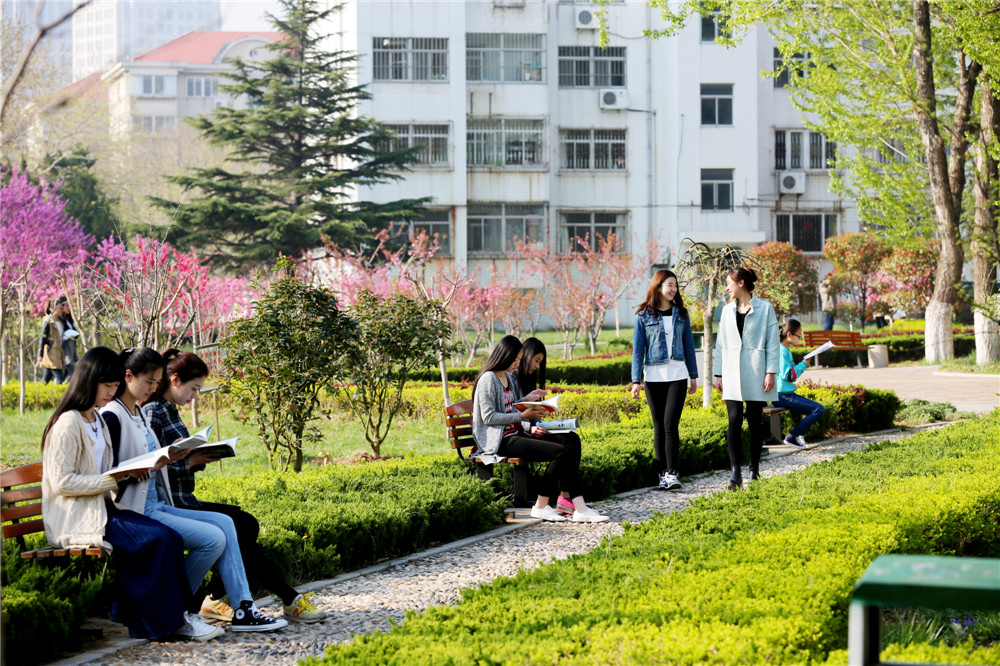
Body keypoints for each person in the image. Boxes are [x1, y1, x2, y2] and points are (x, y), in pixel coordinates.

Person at [40, 346, 219, 642]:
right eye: (107, 385)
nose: (112, 392)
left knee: (170, 538)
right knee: (157, 540)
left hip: (103, 511)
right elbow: (63, 484)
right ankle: (169, 622)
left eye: (114, 385)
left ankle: (166, 619)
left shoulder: (95, 419)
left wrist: (134, 469)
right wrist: (114, 479)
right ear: (88, 380)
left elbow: (105, 468)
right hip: (79, 518)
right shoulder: (68, 423)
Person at [103, 347, 286, 633]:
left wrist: (171, 458)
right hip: (139, 509)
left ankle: (243, 607)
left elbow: (150, 459)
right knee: (214, 538)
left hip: (158, 502)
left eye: (156, 381)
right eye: (150, 382)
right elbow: (109, 472)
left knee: (228, 524)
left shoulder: (137, 411)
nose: (154, 388)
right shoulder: (116, 415)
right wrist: (158, 465)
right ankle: (175, 607)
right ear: (128, 377)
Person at [142, 349, 324, 625]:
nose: (195, 396)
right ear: (175, 379)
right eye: (194, 388)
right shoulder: (154, 412)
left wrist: (199, 457)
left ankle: (219, 599)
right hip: (171, 504)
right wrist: (191, 461)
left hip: (184, 498)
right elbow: (153, 467)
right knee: (239, 525)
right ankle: (281, 599)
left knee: (245, 523)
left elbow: (176, 457)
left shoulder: (169, 410)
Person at [472, 335, 608, 523]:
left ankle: (577, 507)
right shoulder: (489, 379)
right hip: (500, 441)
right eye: (515, 360)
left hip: (515, 433)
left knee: (568, 444)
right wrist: (523, 415)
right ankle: (545, 506)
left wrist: (529, 399)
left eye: (519, 360)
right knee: (561, 452)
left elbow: (510, 406)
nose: (517, 364)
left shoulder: (507, 378)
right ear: (504, 355)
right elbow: (489, 417)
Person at [629, 270, 699, 491]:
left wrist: (693, 375)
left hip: (677, 375)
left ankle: (671, 473)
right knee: (659, 426)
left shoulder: (682, 314)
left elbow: (689, 346)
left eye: (675, 286)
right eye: (669, 285)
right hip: (653, 377)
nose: (673, 289)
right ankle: (661, 474)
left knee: (671, 425)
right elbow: (638, 351)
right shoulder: (643, 316)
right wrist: (636, 380)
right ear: (658, 286)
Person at [712, 267, 780, 491]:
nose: (727, 287)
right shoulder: (726, 310)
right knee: (733, 420)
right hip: (731, 373)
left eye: (729, 282)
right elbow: (720, 344)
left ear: (741, 283)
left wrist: (771, 371)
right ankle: (735, 473)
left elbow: (772, 342)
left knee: (754, 421)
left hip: (757, 372)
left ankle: (754, 470)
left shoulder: (765, 308)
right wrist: (718, 373)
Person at [774, 319, 825, 448]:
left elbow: (789, 375)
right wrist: (804, 364)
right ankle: (793, 436)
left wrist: (803, 364)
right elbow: (788, 376)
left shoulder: (784, 350)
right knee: (818, 409)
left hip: (785, 394)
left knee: (817, 409)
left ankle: (795, 435)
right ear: (789, 335)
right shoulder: (782, 351)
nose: (800, 339)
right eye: (799, 336)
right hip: (782, 396)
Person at [38, 296, 68, 384]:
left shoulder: (60, 321)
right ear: (53, 308)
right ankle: (60, 396)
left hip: (58, 352)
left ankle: (40, 392)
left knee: (47, 377)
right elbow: (42, 337)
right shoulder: (47, 321)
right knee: (60, 377)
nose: (62, 310)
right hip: (51, 352)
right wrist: (40, 354)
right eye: (60, 308)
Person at [62, 307, 80, 381]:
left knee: (64, 374)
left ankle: (60, 387)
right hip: (65, 349)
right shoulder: (61, 320)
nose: (68, 308)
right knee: (74, 372)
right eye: (66, 306)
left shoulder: (69, 320)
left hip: (71, 348)